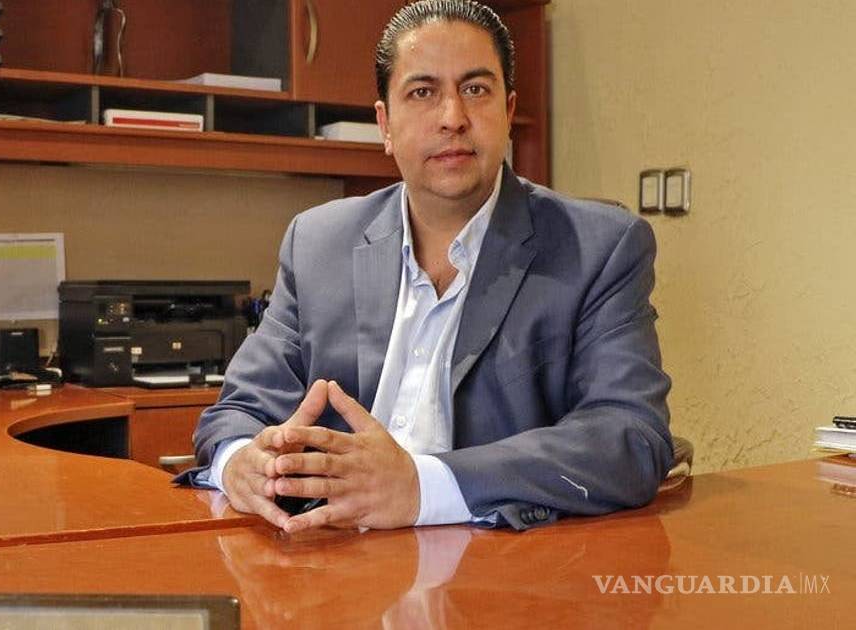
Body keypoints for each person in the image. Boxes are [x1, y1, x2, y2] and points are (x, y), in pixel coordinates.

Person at [176, 0, 673, 532]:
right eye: (422, 92)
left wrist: (423, 486)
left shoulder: (599, 248)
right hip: (330, 560)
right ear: (385, 124)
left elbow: (630, 436)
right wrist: (239, 463)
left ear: (508, 112)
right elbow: (236, 411)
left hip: (498, 560)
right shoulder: (318, 243)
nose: (452, 117)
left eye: (475, 89)